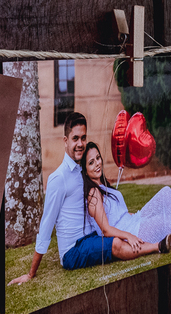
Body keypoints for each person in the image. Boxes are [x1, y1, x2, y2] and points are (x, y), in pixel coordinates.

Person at [9, 112, 108, 285]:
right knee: (116, 245)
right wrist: (31, 274)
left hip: (91, 237)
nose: (80, 144)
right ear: (65, 141)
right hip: (74, 250)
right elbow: (46, 226)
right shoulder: (58, 179)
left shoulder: (84, 169)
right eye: (75, 138)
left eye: (83, 138)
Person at [80, 142, 171, 256]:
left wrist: (140, 215)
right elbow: (105, 230)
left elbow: (119, 213)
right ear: (85, 170)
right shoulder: (93, 194)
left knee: (165, 192)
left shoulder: (104, 186)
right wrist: (129, 236)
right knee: (162, 222)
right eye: (91, 162)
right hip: (129, 232)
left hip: (133, 221)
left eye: (98, 158)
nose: (97, 163)